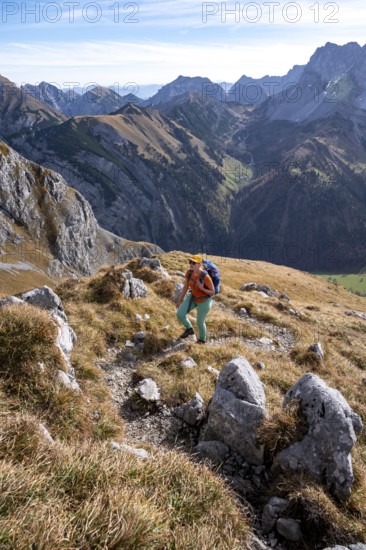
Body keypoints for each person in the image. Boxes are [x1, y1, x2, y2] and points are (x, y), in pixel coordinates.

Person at [175, 254, 215, 344]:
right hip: (193, 297)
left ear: (200, 264)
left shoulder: (205, 277)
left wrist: (201, 287)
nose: (191, 264)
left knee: (199, 322)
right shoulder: (189, 273)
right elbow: (185, 287)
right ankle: (189, 329)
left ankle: (202, 340)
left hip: (204, 301)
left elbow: (213, 292)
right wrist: (179, 300)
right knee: (180, 313)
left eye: (194, 262)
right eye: (190, 262)